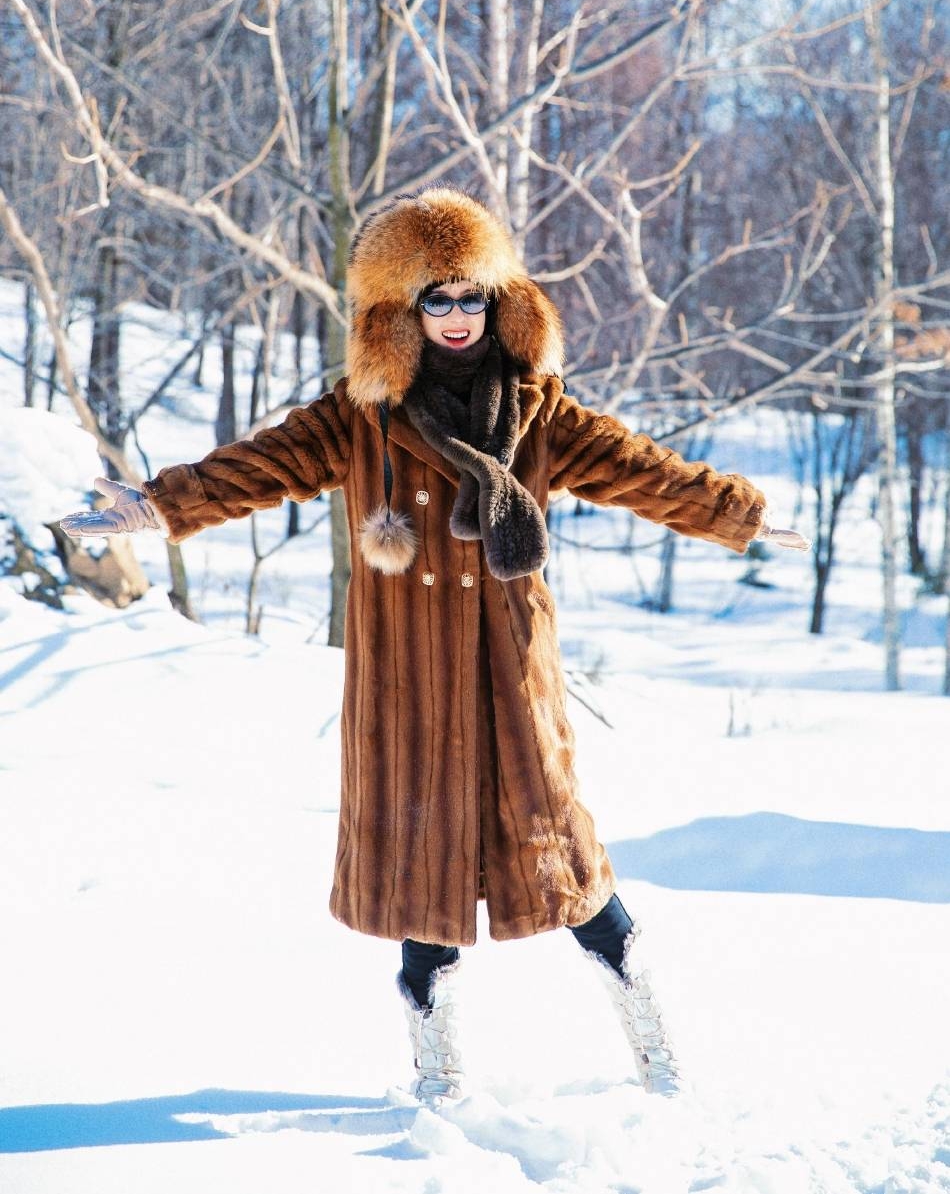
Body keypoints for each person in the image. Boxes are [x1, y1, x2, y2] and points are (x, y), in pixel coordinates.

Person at [62, 186, 808, 1106]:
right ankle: (438, 1084)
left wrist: (741, 514)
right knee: (425, 884)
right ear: (401, 311)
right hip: (407, 692)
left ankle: (659, 1063)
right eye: (435, 300)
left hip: (509, 679)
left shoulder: (540, 411)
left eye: (470, 298)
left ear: (498, 301)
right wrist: (159, 503)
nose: (456, 317)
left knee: (568, 867)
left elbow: (640, 468)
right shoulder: (359, 417)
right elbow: (257, 465)